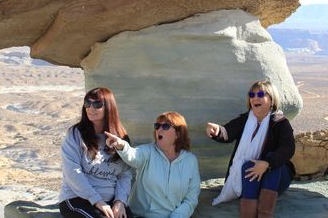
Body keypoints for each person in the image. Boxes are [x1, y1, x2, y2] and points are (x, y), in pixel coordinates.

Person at [205, 80, 295, 218]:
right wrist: (217, 131)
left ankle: (265, 214)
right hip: (252, 180)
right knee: (248, 166)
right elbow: (227, 132)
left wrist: (267, 164)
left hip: (277, 178)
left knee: (274, 167)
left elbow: (288, 148)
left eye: (260, 94)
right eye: (251, 95)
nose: (255, 98)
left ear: (272, 99)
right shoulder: (245, 120)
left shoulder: (280, 123)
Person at [105, 111, 201, 218]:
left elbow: (191, 198)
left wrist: (178, 216)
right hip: (140, 215)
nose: (159, 129)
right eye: (157, 126)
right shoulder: (147, 152)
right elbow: (132, 155)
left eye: (165, 126)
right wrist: (121, 145)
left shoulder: (191, 161)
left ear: (178, 134)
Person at [59, 87, 134, 218]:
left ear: (109, 108)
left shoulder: (120, 138)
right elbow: (72, 171)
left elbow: (125, 174)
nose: (90, 108)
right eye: (87, 103)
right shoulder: (76, 134)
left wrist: (120, 201)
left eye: (97, 104)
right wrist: (97, 200)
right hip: (78, 199)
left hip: (110, 202)